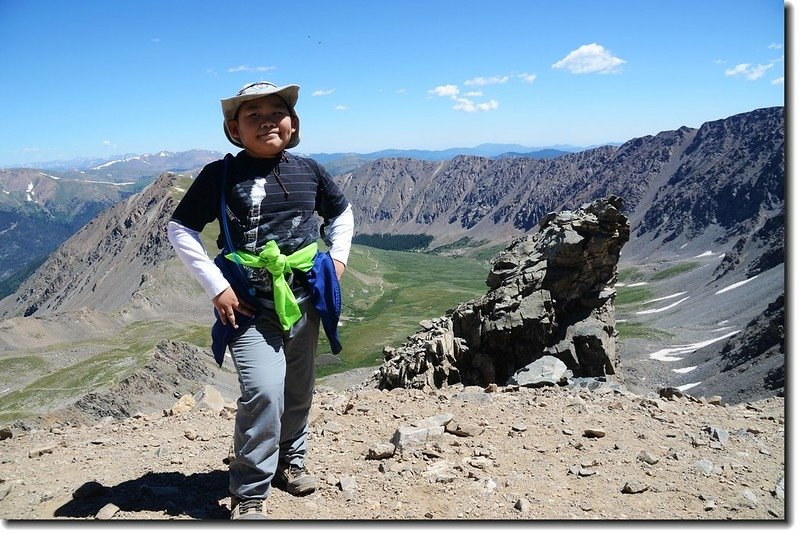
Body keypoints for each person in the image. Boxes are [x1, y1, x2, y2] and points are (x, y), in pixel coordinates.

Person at [167, 81, 354, 520]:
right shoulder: (220, 175)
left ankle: (290, 463)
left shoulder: (310, 170)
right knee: (264, 392)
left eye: (278, 111)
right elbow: (181, 229)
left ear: (293, 124)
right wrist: (217, 286)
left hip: (305, 298)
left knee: (297, 389)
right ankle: (250, 492)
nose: (268, 120)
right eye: (254, 115)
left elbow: (342, 214)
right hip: (249, 306)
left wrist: (338, 261)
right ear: (234, 128)